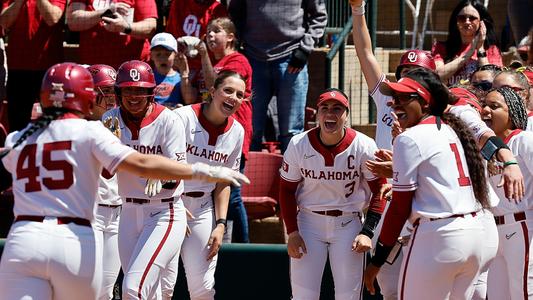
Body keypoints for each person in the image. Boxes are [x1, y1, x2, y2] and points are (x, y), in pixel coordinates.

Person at [0, 62, 248, 300]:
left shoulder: (16, 139)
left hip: (23, 239)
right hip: (72, 237)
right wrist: (203, 171)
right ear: (88, 97)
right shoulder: (93, 130)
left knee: (137, 289)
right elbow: (141, 163)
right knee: (133, 290)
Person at [363, 68, 498, 299]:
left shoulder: (410, 138)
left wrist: (377, 261)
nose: (395, 104)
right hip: (477, 235)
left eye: (404, 98)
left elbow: (399, 208)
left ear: (425, 102)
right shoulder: (451, 130)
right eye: (394, 98)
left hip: (439, 238)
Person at [350, 1, 435, 297]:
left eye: (416, 72)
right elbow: (364, 52)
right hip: (387, 198)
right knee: (385, 279)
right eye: (404, 71)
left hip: (422, 201)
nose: (408, 75)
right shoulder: (387, 96)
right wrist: (358, 10)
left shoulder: (437, 117)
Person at [279, 88, 387, 299]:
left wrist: (367, 232)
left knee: (348, 296)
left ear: (347, 115)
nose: (330, 114)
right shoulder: (298, 144)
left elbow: (381, 191)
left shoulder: (364, 145)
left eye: (337, 109)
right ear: (317, 114)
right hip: (308, 223)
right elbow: (286, 190)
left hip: (349, 225)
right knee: (303, 296)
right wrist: (292, 232)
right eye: (325, 108)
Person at [161, 70, 245, 300]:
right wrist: (174, 203)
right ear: (212, 91)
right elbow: (161, 164)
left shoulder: (237, 132)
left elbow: (224, 182)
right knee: (164, 286)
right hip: (167, 204)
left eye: (239, 94)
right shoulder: (182, 117)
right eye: (228, 90)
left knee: (203, 287)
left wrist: (220, 224)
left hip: (202, 208)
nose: (233, 98)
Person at [181, 16, 253, 242]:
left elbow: (217, 83)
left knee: (232, 194)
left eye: (216, 31)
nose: (209, 35)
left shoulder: (237, 61)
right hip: (207, 130)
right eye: (208, 31)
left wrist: (202, 56)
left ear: (231, 37)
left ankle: (242, 247)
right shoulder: (213, 62)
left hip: (230, 135)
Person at [228, 0, 327, 153]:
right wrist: (238, 44)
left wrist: (305, 49)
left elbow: (319, 16)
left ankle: (291, 175)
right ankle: (247, 175)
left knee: (292, 132)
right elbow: (235, 13)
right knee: (249, 129)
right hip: (253, 59)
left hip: (292, 60)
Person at [481, 86, 533, 299]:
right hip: (494, 231)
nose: (485, 110)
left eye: (494, 106)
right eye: (484, 105)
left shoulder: (523, 140)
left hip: (522, 226)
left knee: (524, 293)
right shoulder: (487, 150)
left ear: (511, 113)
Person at [86, 63, 123, 300]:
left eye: (113, 92)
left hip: (120, 214)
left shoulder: (123, 124)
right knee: (87, 285)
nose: (110, 99)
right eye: (104, 93)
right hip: (90, 214)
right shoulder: (79, 127)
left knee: (107, 291)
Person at [0, 0, 66, 132]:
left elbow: (53, 18)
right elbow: (4, 22)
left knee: (54, 123)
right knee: (17, 125)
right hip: (18, 68)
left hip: (49, 71)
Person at [166, 0, 227, 103]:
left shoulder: (217, 9)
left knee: (204, 105)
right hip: (179, 67)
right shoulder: (179, 4)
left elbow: (220, 49)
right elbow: (171, 34)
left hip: (206, 70)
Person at [66, 0, 157, 69]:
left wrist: (125, 27)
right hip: (94, 69)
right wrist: (105, 12)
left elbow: (150, 27)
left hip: (130, 69)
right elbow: (73, 22)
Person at [432, 0, 502, 86]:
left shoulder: (492, 50)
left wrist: (480, 49)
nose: (467, 22)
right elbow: (437, 76)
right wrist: (467, 55)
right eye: (462, 18)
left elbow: (491, 81)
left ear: (481, 22)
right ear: (456, 22)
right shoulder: (440, 47)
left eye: (472, 18)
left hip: (476, 98)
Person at [150, 32, 184, 108]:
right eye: (158, 54)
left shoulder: (180, 79)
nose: (162, 59)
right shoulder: (148, 78)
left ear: (175, 54)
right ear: (151, 55)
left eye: (167, 54)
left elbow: (189, 100)